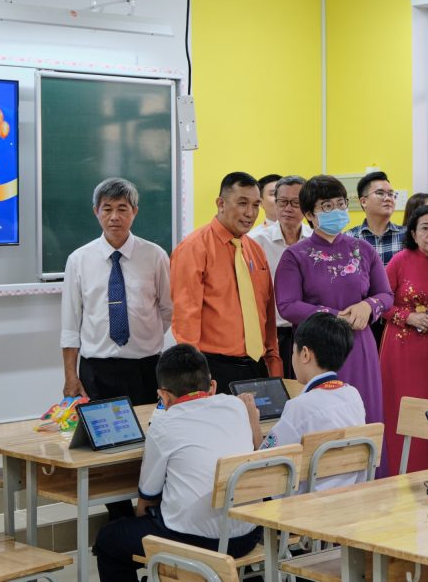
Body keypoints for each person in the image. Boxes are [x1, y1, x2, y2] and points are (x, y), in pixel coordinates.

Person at [93, 345, 262, 582]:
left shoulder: (163, 424)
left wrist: (145, 527)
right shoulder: (236, 406)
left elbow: (147, 498)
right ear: (211, 385)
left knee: (109, 539)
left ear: (163, 396)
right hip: (249, 534)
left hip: (196, 542)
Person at [275, 175, 393, 429]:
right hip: (317, 349)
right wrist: (333, 316)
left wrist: (367, 306)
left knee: (365, 418)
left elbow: (386, 295)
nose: (337, 211)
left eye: (341, 204)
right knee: (322, 421)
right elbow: (287, 305)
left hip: (359, 345)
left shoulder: (363, 249)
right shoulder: (295, 255)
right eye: (327, 206)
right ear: (310, 214)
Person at [61, 177, 173, 404]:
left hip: (146, 368)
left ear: (135, 212)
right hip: (96, 370)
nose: (114, 217)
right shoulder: (78, 260)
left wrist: (145, 337)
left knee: (147, 425)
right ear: (96, 211)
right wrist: (70, 376)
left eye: (122, 209)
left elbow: (167, 309)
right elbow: (70, 324)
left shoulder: (155, 256)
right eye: (107, 209)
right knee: (99, 427)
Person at [171, 172, 281, 393]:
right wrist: (193, 377)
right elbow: (186, 318)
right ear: (221, 204)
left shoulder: (255, 249)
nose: (250, 213)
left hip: (257, 366)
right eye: (242, 203)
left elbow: (266, 313)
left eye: (255, 205)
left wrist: (273, 363)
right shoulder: (194, 248)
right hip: (213, 368)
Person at [242, 313, 366, 491]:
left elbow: (264, 462)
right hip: (348, 495)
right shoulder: (353, 395)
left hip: (308, 501)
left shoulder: (300, 406)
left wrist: (252, 420)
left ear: (305, 354)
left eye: (294, 352)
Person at [380, 205, 428, 475]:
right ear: (413, 233)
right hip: (401, 348)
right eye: (425, 228)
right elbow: (381, 301)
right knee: (401, 407)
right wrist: (407, 317)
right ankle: (397, 471)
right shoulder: (399, 260)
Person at [249, 175, 312, 378]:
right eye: (282, 202)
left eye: (295, 203)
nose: (288, 208)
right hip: (270, 334)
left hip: (310, 332)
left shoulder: (316, 241)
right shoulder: (255, 242)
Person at [346, 171, 404, 348]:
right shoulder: (349, 239)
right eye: (380, 193)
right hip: (361, 321)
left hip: (399, 322)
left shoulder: (407, 237)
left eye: (391, 194)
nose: (388, 198)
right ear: (363, 201)